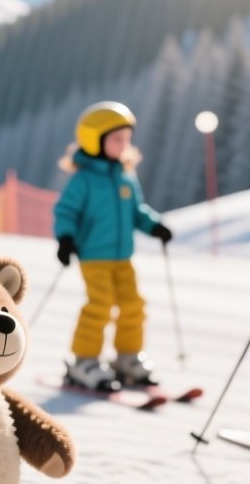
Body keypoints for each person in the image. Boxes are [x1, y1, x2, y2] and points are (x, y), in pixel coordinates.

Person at [54, 101, 172, 390]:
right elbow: (66, 211)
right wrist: (66, 239)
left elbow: (137, 210)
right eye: (117, 139)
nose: (124, 145)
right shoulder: (84, 180)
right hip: (94, 256)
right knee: (100, 305)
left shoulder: (125, 176)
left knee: (134, 304)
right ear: (94, 140)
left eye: (127, 139)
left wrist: (154, 225)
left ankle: (127, 357)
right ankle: (85, 361)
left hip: (123, 257)